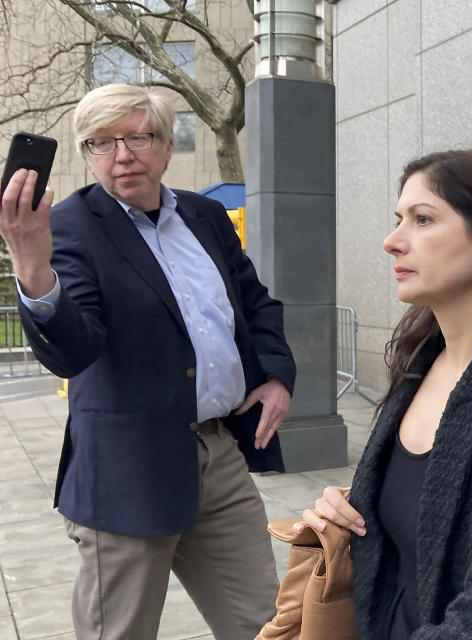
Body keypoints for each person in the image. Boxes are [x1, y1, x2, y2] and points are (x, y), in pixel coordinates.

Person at [0, 84, 295, 639]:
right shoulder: (70, 227)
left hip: (220, 455)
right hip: (128, 470)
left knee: (266, 626)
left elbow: (256, 305)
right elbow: (73, 351)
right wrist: (33, 269)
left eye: (137, 137)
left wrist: (277, 375)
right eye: (101, 143)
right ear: (87, 155)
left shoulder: (205, 216)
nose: (122, 156)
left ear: (165, 145)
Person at [294, 148, 472, 639]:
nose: (392, 242)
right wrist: (342, 511)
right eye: (398, 219)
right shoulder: (417, 362)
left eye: (422, 220)